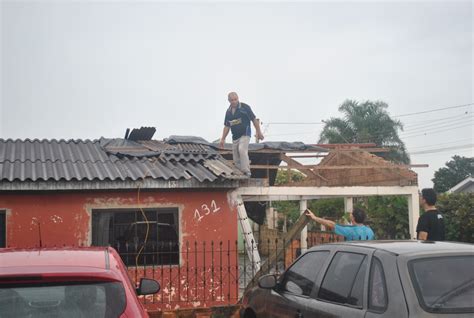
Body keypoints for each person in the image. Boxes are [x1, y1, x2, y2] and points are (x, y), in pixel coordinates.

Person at [219, 92, 264, 177]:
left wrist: (259, 132)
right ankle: (240, 172)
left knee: (242, 150)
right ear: (229, 101)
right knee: (236, 157)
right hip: (235, 136)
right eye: (232, 100)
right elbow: (227, 126)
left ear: (238, 98)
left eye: (235, 99)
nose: (234, 101)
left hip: (245, 133)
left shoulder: (245, 107)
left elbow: (254, 120)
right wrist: (223, 138)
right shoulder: (228, 112)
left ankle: (247, 171)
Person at [305, 208, 375, 241]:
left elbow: (331, 224)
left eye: (351, 213)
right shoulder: (370, 231)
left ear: (353, 218)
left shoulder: (349, 231)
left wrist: (314, 217)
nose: (349, 214)